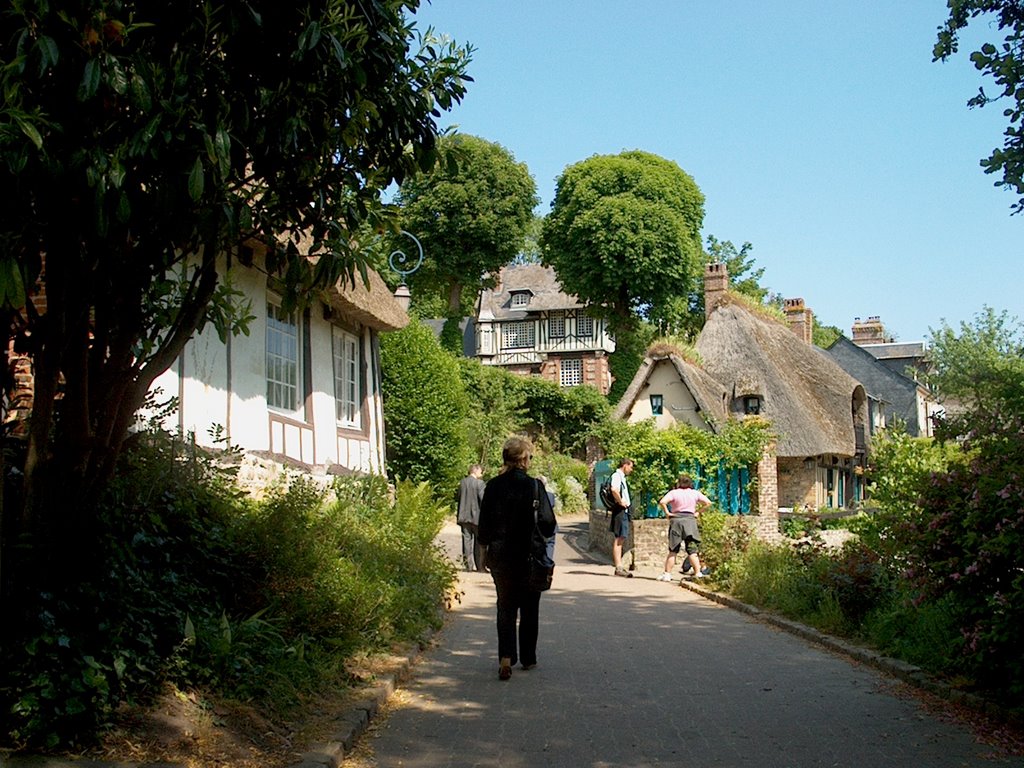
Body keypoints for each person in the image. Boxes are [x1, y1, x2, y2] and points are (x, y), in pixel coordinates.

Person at [478, 436, 557, 681]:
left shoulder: (492, 486)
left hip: (501, 556)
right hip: (529, 555)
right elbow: (548, 522)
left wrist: (484, 553)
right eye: (529, 456)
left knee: (505, 606)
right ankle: (528, 658)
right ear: (523, 459)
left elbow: (484, 526)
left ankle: (505, 657)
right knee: (530, 608)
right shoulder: (534, 486)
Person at [656, 474, 711, 582]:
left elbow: (662, 502)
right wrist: (698, 512)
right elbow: (708, 503)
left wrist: (667, 513)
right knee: (692, 549)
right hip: (690, 521)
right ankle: (698, 573)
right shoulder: (695, 493)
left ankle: (667, 574)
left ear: (679, 483)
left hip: (676, 520)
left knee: (673, 549)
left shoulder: (674, 493)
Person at [456, 464, 486, 572]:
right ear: (475, 471)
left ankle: (468, 565)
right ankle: (479, 566)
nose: (481, 474)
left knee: (466, 541)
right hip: (477, 517)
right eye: (480, 471)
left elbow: (458, 497)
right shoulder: (480, 483)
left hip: (463, 516)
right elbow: (483, 500)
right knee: (478, 543)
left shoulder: (462, 483)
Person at [608, 458, 635, 577]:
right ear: (625, 465)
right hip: (620, 510)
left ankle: (619, 566)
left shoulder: (621, 477)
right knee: (619, 537)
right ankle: (618, 567)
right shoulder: (617, 476)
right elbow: (614, 489)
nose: (631, 469)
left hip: (623, 510)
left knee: (621, 537)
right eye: (630, 467)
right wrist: (621, 502)